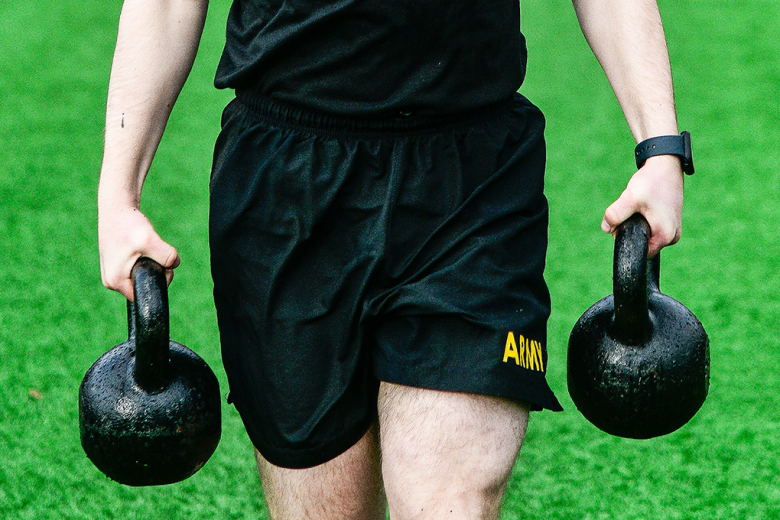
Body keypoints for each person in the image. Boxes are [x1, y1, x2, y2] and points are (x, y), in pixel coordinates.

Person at [97, 0, 690, 518]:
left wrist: (660, 147)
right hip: (285, 191)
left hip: (473, 183)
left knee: (453, 500)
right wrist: (119, 196)